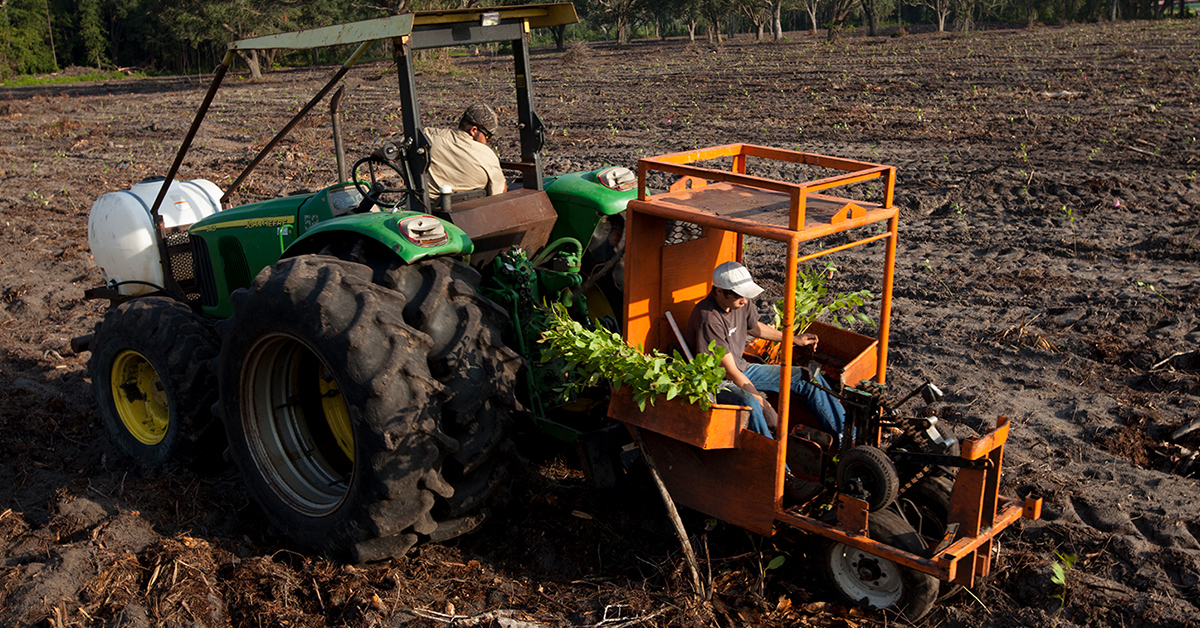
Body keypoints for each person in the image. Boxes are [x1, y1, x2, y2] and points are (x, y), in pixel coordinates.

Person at [685, 261, 846, 443]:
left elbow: (754, 327)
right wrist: (763, 402)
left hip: (742, 368)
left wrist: (792, 338)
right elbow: (729, 372)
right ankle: (775, 460)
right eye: (739, 296)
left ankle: (846, 438)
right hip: (717, 380)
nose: (745, 301)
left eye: (745, 295)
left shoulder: (740, 301)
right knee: (752, 404)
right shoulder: (708, 318)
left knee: (807, 377)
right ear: (719, 291)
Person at [425, 103, 507, 201]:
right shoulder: (486, 156)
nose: (489, 141)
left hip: (426, 207)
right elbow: (499, 194)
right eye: (488, 136)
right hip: (468, 212)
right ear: (474, 130)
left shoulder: (429, 137)